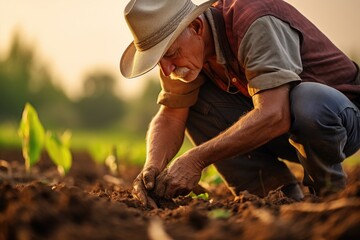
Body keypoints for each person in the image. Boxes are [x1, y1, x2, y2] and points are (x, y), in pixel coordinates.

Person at [120, 0, 360, 208]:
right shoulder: (183, 58)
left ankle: (330, 195)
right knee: (194, 101)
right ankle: (272, 196)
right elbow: (171, 115)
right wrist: (152, 166)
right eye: (160, 61)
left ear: (195, 27)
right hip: (286, 129)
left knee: (308, 99)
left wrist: (195, 159)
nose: (167, 69)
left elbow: (275, 114)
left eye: (170, 54)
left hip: (342, 119)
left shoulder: (254, 22)